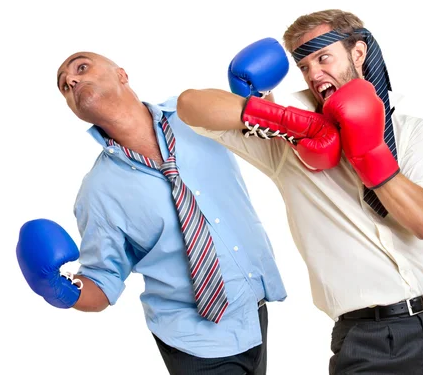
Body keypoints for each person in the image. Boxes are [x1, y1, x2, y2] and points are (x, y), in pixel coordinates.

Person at [176, 9, 423, 374]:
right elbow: (190, 107)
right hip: (369, 342)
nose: (313, 74)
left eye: (323, 58)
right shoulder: (285, 145)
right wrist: (287, 121)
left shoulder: (409, 131)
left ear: (357, 54)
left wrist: (370, 152)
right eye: (304, 66)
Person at [15, 51, 287, 375]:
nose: (71, 80)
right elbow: (102, 281)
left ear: (122, 74)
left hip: (254, 311)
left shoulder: (194, 113)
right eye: (64, 86)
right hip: (192, 339)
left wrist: (258, 95)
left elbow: (257, 125)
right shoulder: (98, 192)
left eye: (81, 67)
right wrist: (59, 290)